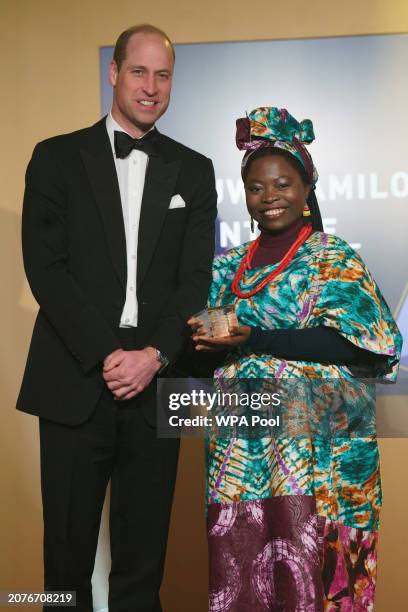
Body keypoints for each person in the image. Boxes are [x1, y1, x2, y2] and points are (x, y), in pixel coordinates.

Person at [17, 24, 217, 612]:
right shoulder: (56, 158)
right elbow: (45, 268)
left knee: (141, 562)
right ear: (114, 72)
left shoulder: (194, 169)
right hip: (77, 375)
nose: (151, 86)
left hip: (157, 381)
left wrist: (152, 356)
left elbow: (195, 281)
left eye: (163, 75)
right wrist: (110, 356)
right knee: (64, 566)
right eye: (138, 71)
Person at [189, 107, 402, 610]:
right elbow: (200, 353)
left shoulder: (334, 256)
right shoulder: (224, 269)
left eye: (283, 184)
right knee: (244, 581)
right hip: (242, 459)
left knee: (321, 584)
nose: (270, 198)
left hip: (324, 460)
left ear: (308, 188)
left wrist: (254, 338)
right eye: (257, 188)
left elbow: (362, 345)